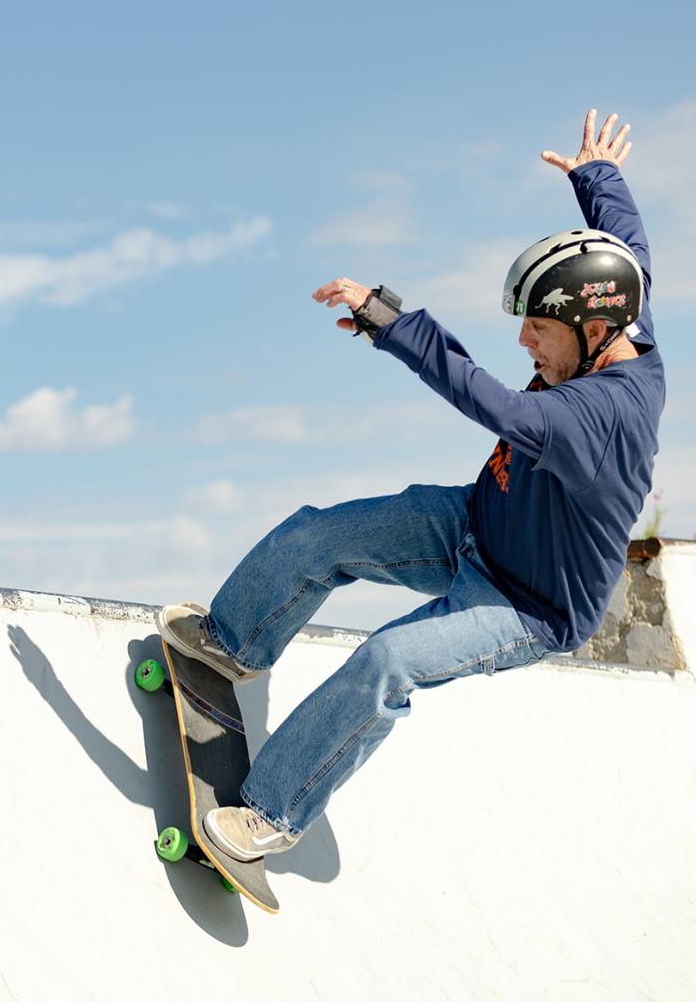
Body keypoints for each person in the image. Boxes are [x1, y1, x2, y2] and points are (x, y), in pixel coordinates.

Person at [156, 109, 664, 862]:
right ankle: (235, 641)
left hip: (525, 605)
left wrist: (390, 322)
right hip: (474, 522)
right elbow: (628, 248)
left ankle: (273, 814)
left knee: (385, 663)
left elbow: (490, 402)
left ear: (593, 330)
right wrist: (596, 177)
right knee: (321, 532)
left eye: (538, 331)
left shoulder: (600, 412)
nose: (524, 342)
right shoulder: (616, 306)